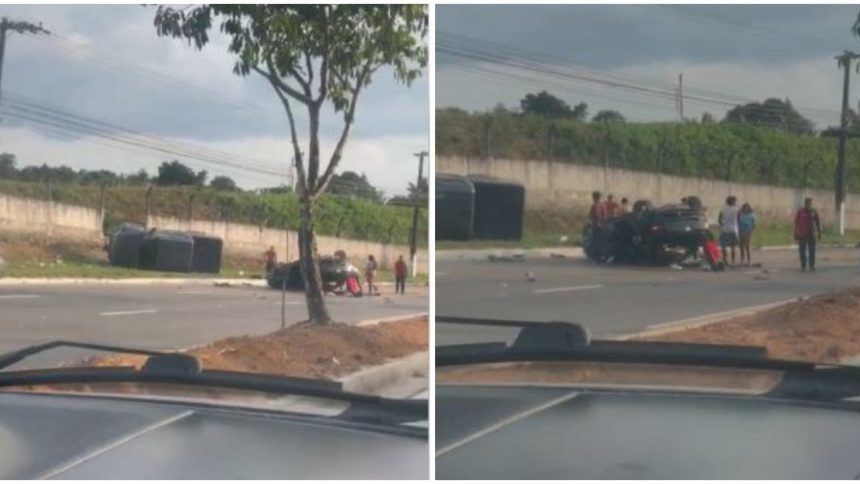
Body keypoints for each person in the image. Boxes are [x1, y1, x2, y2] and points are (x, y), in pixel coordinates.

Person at [794, 197, 821, 272]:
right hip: (802, 235)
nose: (809, 205)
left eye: (810, 203)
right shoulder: (800, 211)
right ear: (805, 203)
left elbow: (817, 222)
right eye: (807, 203)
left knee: (812, 250)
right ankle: (803, 265)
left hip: (811, 234)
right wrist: (796, 233)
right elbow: (796, 223)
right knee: (802, 251)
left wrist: (819, 233)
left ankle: (812, 265)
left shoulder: (813, 212)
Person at [718, 195, 740, 266]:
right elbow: (738, 218)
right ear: (733, 201)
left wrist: (722, 225)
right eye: (734, 201)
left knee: (724, 246)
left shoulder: (723, 208)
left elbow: (719, 219)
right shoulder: (736, 208)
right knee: (733, 246)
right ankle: (732, 261)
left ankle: (725, 260)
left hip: (725, 229)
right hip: (733, 229)